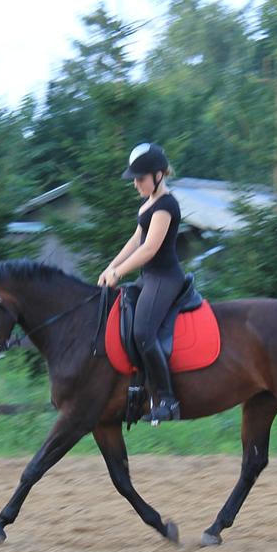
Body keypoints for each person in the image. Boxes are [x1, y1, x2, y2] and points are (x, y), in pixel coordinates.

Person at [98, 142, 184, 423]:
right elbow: (136, 240)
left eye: (140, 179)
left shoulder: (166, 205)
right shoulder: (149, 203)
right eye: (134, 179)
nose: (136, 184)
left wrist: (119, 273)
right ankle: (136, 387)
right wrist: (111, 266)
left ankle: (169, 402)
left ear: (159, 175)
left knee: (143, 333)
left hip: (165, 279)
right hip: (149, 278)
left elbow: (149, 249)